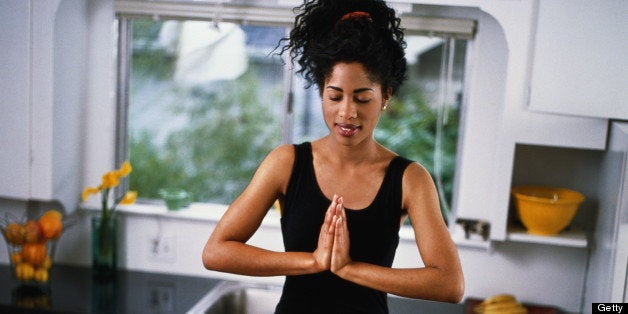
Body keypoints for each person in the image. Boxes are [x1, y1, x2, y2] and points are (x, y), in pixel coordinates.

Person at [202, 0, 464, 312]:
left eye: (363, 98)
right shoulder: (287, 163)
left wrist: (349, 268)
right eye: (335, 96)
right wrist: (313, 261)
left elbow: (450, 285)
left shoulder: (410, 179)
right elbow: (216, 252)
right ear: (321, 92)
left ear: (386, 96)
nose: (347, 112)